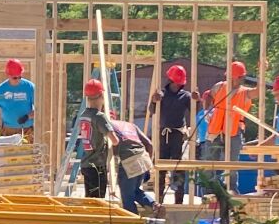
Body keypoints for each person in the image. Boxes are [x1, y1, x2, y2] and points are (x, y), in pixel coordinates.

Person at [203, 61, 262, 191]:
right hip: (215, 131)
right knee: (209, 163)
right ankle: (209, 192)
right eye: (241, 76)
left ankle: (232, 190)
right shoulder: (219, 87)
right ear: (234, 77)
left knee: (232, 165)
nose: (242, 79)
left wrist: (261, 72)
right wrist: (207, 110)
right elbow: (208, 96)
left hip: (234, 131)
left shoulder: (244, 92)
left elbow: (259, 92)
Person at [149, 65, 200, 204]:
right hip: (163, 133)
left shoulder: (186, 96)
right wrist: (154, 101)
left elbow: (196, 111)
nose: (179, 84)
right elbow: (152, 110)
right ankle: (158, 200)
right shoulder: (161, 94)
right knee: (161, 167)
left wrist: (197, 101)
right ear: (171, 80)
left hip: (178, 134)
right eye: (177, 81)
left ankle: (179, 200)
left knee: (178, 168)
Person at [111, 119, 163, 215]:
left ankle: (132, 223)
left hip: (129, 161)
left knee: (127, 198)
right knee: (134, 191)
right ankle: (154, 205)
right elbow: (149, 144)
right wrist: (149, 165)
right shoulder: (130, 125)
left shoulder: (107, 126)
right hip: (144, 158)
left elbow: (113, 147)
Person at [77, 79, 118, 198]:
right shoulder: (99, 117)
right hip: (97, 165)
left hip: (86, 164)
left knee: (89, 201)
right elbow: (115, 141)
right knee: (98, 201)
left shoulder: (84, 115)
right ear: (101, 96)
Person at [0, 58, 35, 142]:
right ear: (8, 75)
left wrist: (28, 116)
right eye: (15, 78)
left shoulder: (30, 87)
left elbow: (39, 109)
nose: (18, 80)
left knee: (26, 154)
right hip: (8, 131)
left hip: (26, 130)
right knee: (9, 154)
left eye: (20, 77)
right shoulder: (0, 90)